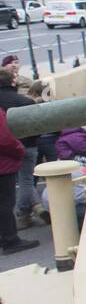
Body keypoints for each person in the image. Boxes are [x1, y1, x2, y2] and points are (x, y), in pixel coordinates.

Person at [0, 104, 38, 254]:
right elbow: (4, 139)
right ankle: (11, 240)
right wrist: (19, 149)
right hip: (3, 164)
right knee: (5, 204)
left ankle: (5, 237)